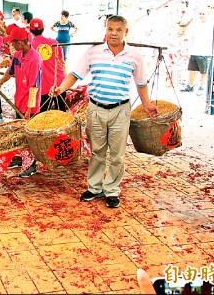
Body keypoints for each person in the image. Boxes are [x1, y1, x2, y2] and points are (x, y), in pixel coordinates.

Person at [49, 15, 158, 208]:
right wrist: (60, 89)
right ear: (105, 30)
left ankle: (112, 190)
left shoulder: (135, 56)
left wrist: (147, 104)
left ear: (126, 32)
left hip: (120, 110)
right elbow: (75, 75)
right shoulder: (94, 52)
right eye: (110, 29)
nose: (113, 33)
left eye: (118, 29)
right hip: (96, 109)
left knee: (117, 154)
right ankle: (94, 187)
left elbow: (141, 83)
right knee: (97, 150)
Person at [0, 25, 42, 178]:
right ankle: (20, 159)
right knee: (20, 133)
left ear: (20, 42)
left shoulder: (35, 59)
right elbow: (10, 72)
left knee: (30, 136)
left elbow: (35, 86)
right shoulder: (18, 56)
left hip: (30, 105)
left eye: (12, 42)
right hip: (18, 100)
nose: (10, 45)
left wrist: (28, 110)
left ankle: (32, 165)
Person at [28, 18, 67, 112]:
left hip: (43, 88)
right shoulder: (54, 42)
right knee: (61, 114)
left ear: (30, 30)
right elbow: (62, 61)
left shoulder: (30, 47)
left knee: (42, 117)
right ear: (43, 29)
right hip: (59, 84)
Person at [180, 10, 213, 96]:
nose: (201, 15)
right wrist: (189, 50)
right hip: (195, 51)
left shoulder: (211, 25)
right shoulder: (196, 25)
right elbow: (192, 37)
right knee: (192, 69)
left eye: (203, 13)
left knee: (203, 72)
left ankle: (201, 87)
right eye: (200, 13)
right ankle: (190, 85)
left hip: (205, 53)